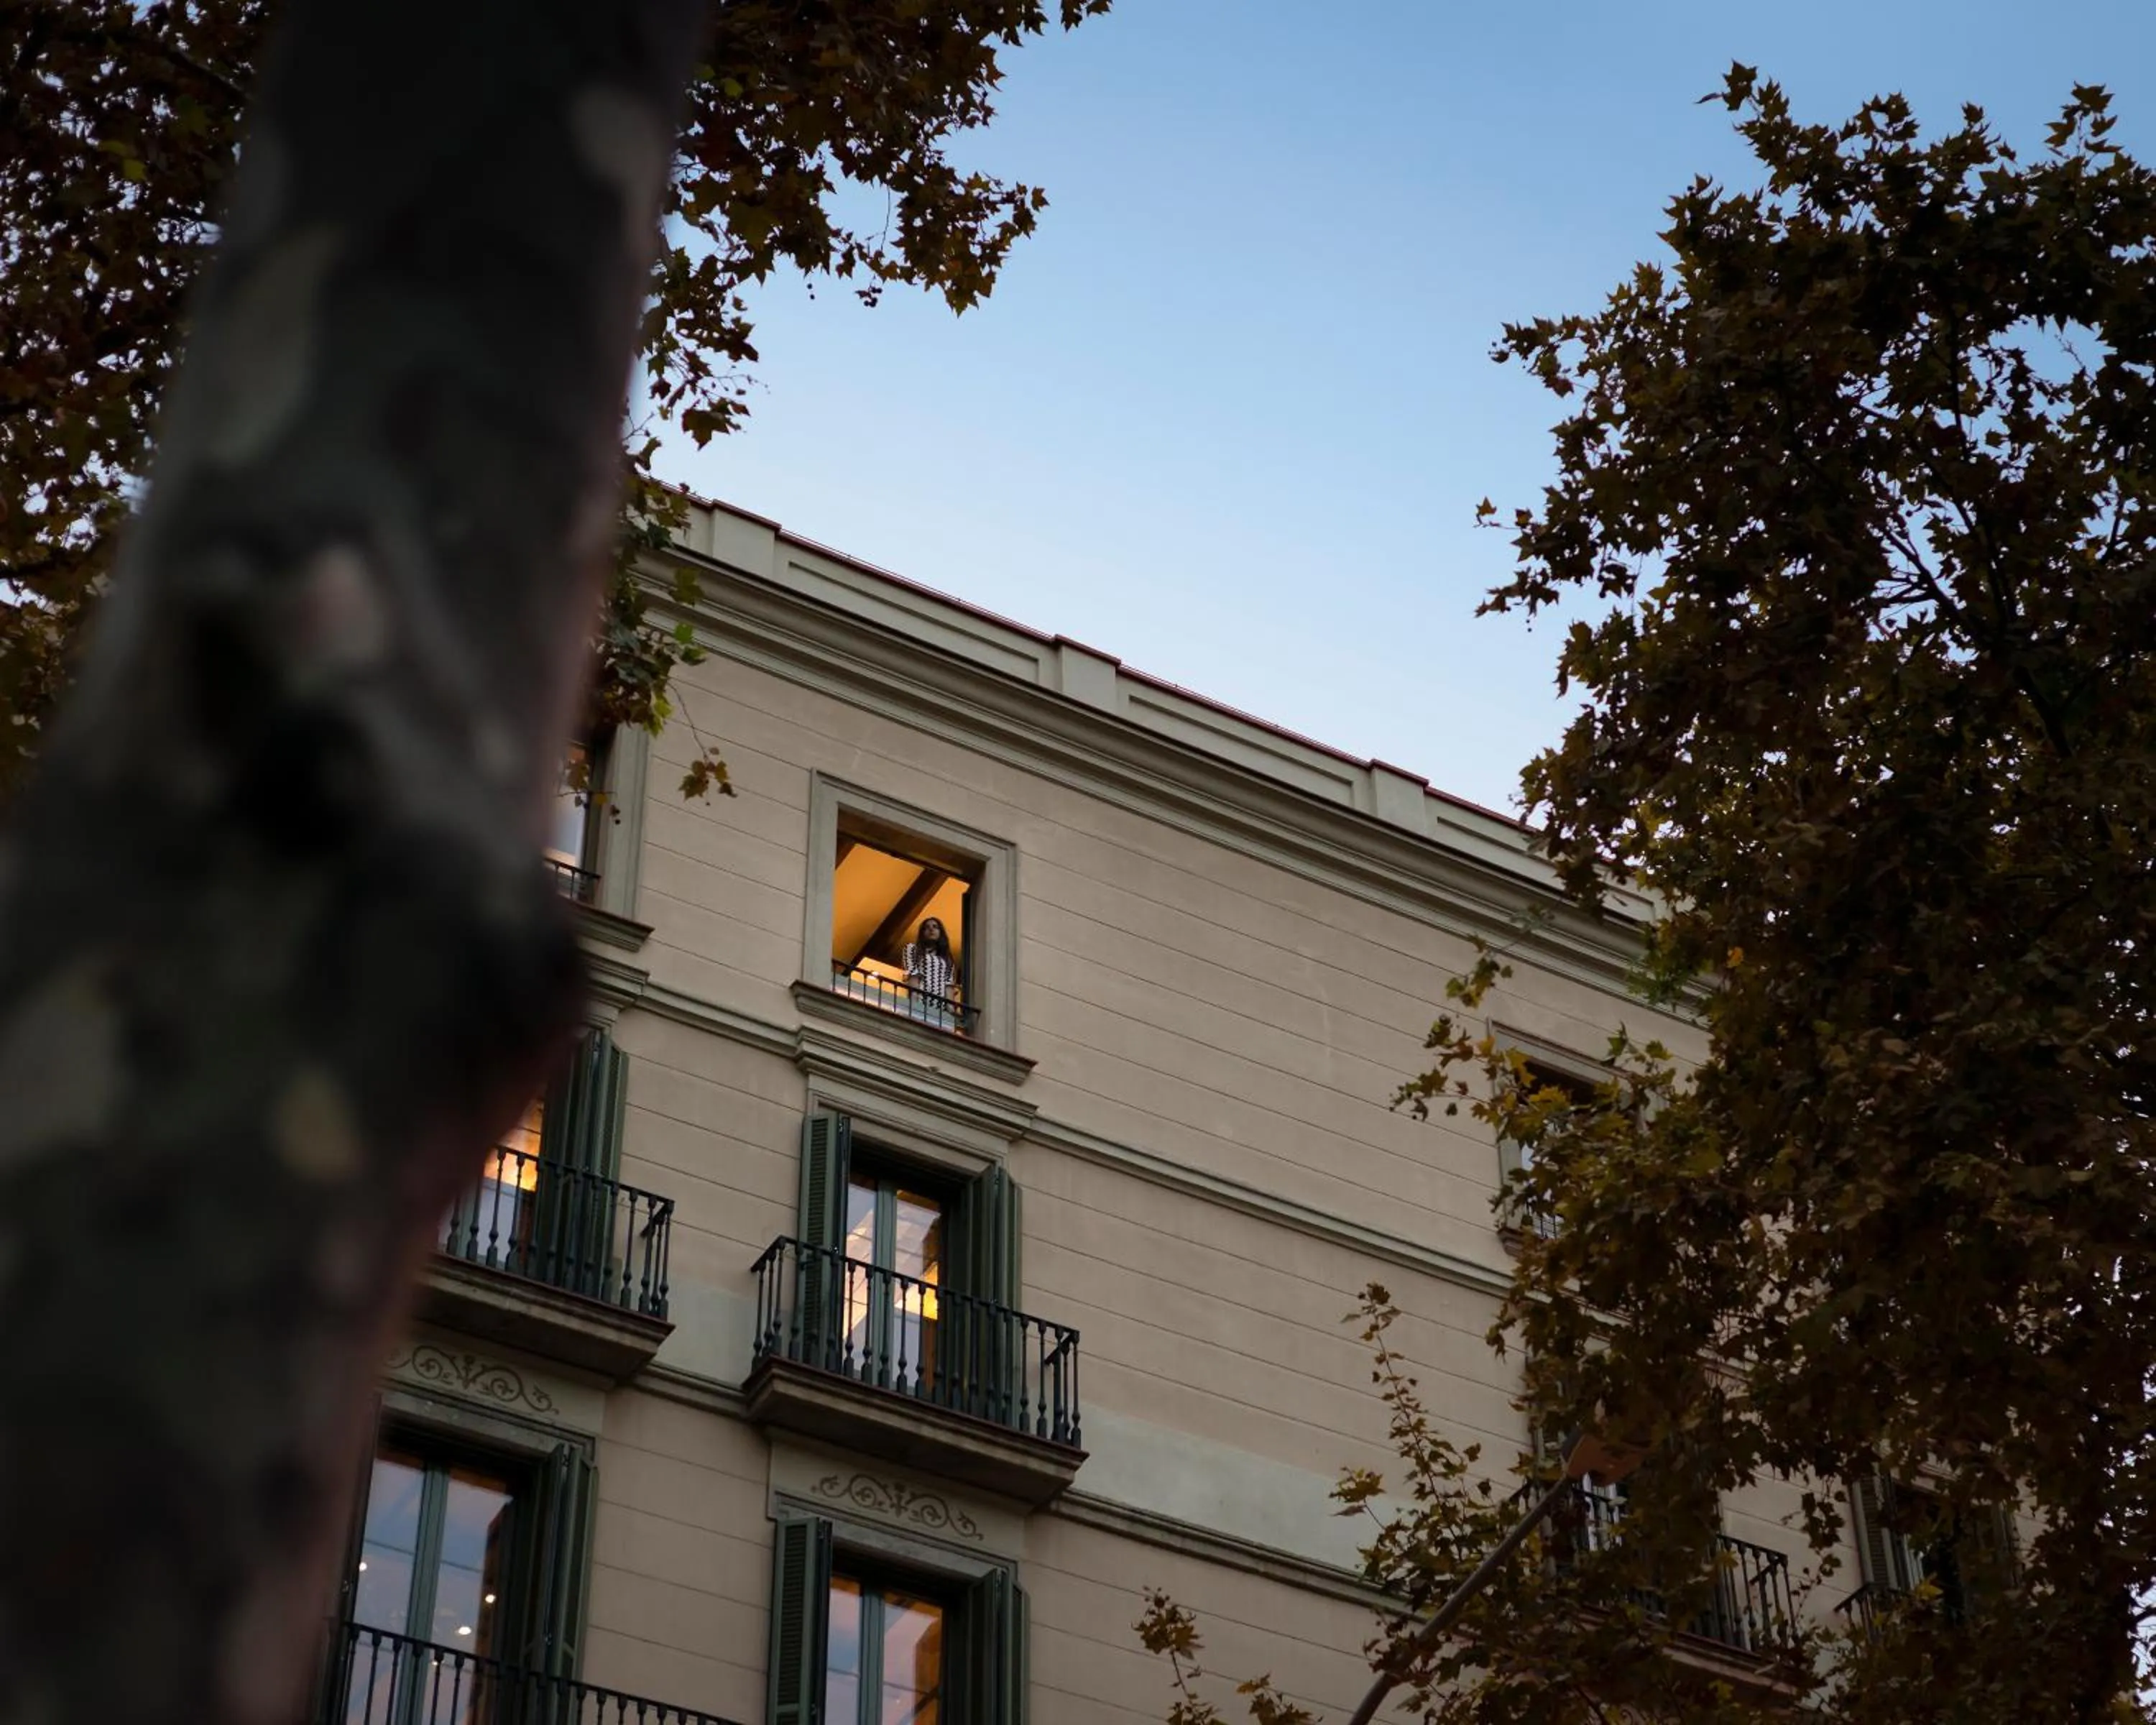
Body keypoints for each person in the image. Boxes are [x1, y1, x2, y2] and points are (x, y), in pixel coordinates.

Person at [902, 916, 962, 1029]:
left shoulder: (947, 958)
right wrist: (914, 1003)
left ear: (941, 932)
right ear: (922, 933)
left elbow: (948, 985)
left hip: (940, 1008)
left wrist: (951, 1010)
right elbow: (913, 974)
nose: (931, 929)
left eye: (935, 927)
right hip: (921, 1000)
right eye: (927, 927)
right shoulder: (912, 949)